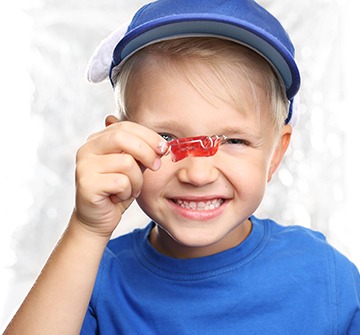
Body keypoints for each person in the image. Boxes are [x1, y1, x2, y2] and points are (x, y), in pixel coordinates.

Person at [4, 0, 360, 334]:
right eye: (166, 137)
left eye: (234, 141)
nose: (198, 174)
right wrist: (87, 229)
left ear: (276, 155)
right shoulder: (90, 278)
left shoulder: (326, 279)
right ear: (121, 144)